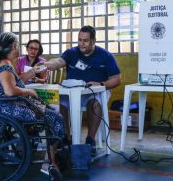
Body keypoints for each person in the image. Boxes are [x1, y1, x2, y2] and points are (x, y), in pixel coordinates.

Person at [0, 32, 65, 172]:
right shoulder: (5, 64)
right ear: (13, 46)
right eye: (17, 46)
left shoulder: (2, 63)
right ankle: (50, 161)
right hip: (8, 107)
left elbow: (16, 83)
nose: (19, 49)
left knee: (52, 113)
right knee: (55, 118)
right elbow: (10, 91)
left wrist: (32, 72)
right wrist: (29, 92)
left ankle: (45, 153)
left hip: (9, 104)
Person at [43, 25, 121, 155]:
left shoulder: (106, 56)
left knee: (95, 104)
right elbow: (58, 61)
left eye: (85, 40)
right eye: (79, 40)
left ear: (93, 41)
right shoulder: (71, 53)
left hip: (94, 92)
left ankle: (90, 140)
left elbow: (117, 79)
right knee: (57, 103)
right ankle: (66, 138)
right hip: (72, 93)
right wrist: (47, 65)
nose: (81, 44)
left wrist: (101, 84)